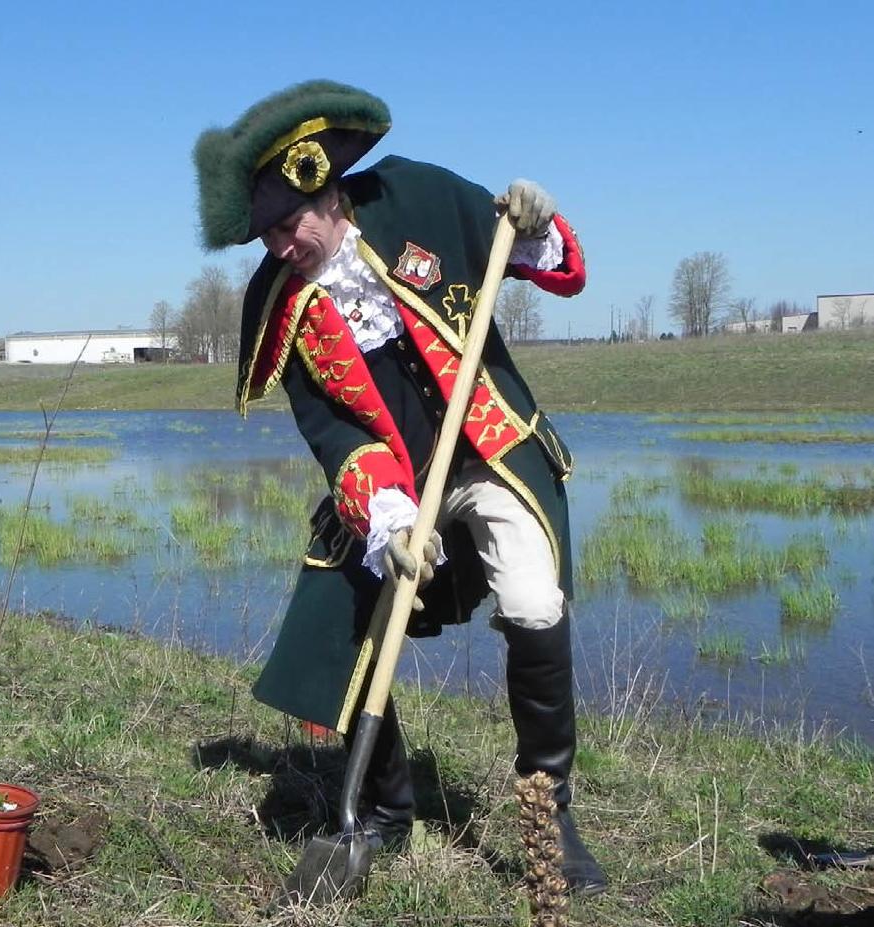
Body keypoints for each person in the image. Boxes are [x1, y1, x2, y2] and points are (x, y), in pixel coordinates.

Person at [193, 80, 606, 894]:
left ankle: (547, 807)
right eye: (265, 237)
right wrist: (387, 518)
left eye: (286, 225)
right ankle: (381, 812)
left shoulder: (413, 190)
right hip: (395, 487)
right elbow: (332, 432)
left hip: (487, 448)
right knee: (340, 622)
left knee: (531, 597)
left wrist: (535, 223)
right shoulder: (281, 304)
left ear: (326, 191)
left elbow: (525, 257)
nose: (280, 247)